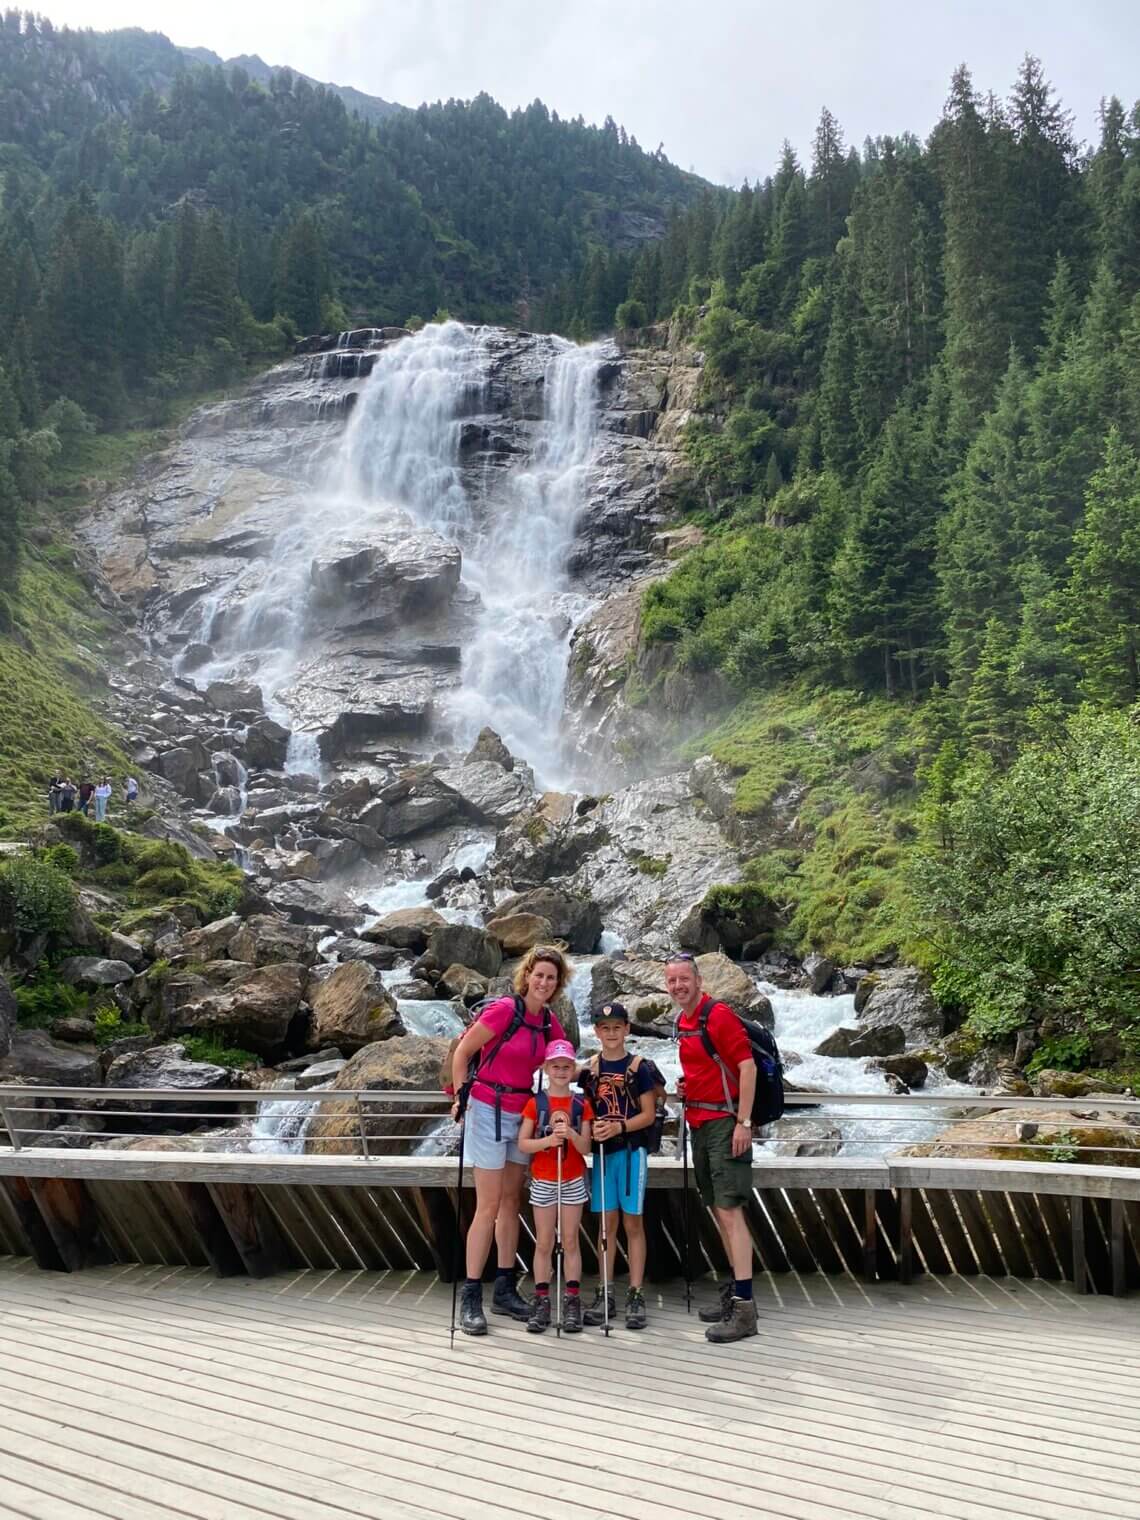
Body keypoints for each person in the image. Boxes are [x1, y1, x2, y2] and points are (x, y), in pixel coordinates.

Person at [449, 944, 571, 1336]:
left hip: (522, 1115)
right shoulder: (504, 1010)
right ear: (527, 976)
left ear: (557, 983)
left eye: (551, 978)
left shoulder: (549, 1023)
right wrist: (459, 1096)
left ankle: (503, 1288)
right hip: (486, 1108)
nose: (544, 983)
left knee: (509, 1202)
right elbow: (464, 1049)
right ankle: (471, 1294)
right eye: (539, 975)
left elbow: (565, 1061)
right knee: (487, 1205)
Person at [667, 952, 759, 1344]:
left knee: (730, 1211)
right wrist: (687, 1089)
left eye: (684, 979)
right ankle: (734, 1293)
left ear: (699, 980)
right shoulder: (683, 1022)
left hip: (725, 1123)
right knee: (721, 1213)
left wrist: (744, 1122)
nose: (678, 986)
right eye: (671, 981)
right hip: (700, 1123)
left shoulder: (716, 1015)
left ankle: (745, 1309)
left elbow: (748, 1067)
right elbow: (707, 1067)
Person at [580, 1001, 658, 1331]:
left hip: (631, 1152)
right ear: (596, 1032)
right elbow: (586, 1109)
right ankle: (605, 1290)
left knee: (633, 1224)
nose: (611, 1033)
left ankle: (636, 1292)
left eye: (617, 1027)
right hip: (601, 1155)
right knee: (605, 1225)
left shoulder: (639, 1067)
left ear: (627, 1029)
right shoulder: (590, 1069)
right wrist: (593, 1128)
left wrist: (619, 1127)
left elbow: (649, 1115)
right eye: (604, 1028)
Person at [517, 1040, 593, 1333]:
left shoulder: (581, 1104)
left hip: (572, 1177)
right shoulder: (535, 1103)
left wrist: (571, 1134)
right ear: (546, 1069)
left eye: (566, 1066)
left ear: (573, 1069)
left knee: (571, 1239)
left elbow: (586, 1147)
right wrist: (548, 1141)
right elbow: (523, 1143)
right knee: (545, 1241)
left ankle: (572, 1298)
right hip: (544, 1178)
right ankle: (542, 1299)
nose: (561, 1071)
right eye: (555, 1066)